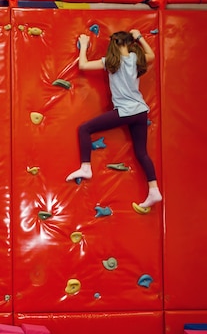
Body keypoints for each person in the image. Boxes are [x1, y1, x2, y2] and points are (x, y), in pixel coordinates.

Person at [65, 29, 162, 211]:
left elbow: (84, 65)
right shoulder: (134, 59)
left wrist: (84, 45)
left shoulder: (110, 62)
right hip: (140, 111)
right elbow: (151, 55)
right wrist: (139, 36)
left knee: (84, 129)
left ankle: (86, 167)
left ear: (117, 44)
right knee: (141, 153)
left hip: (126, 111)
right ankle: (154, 189)